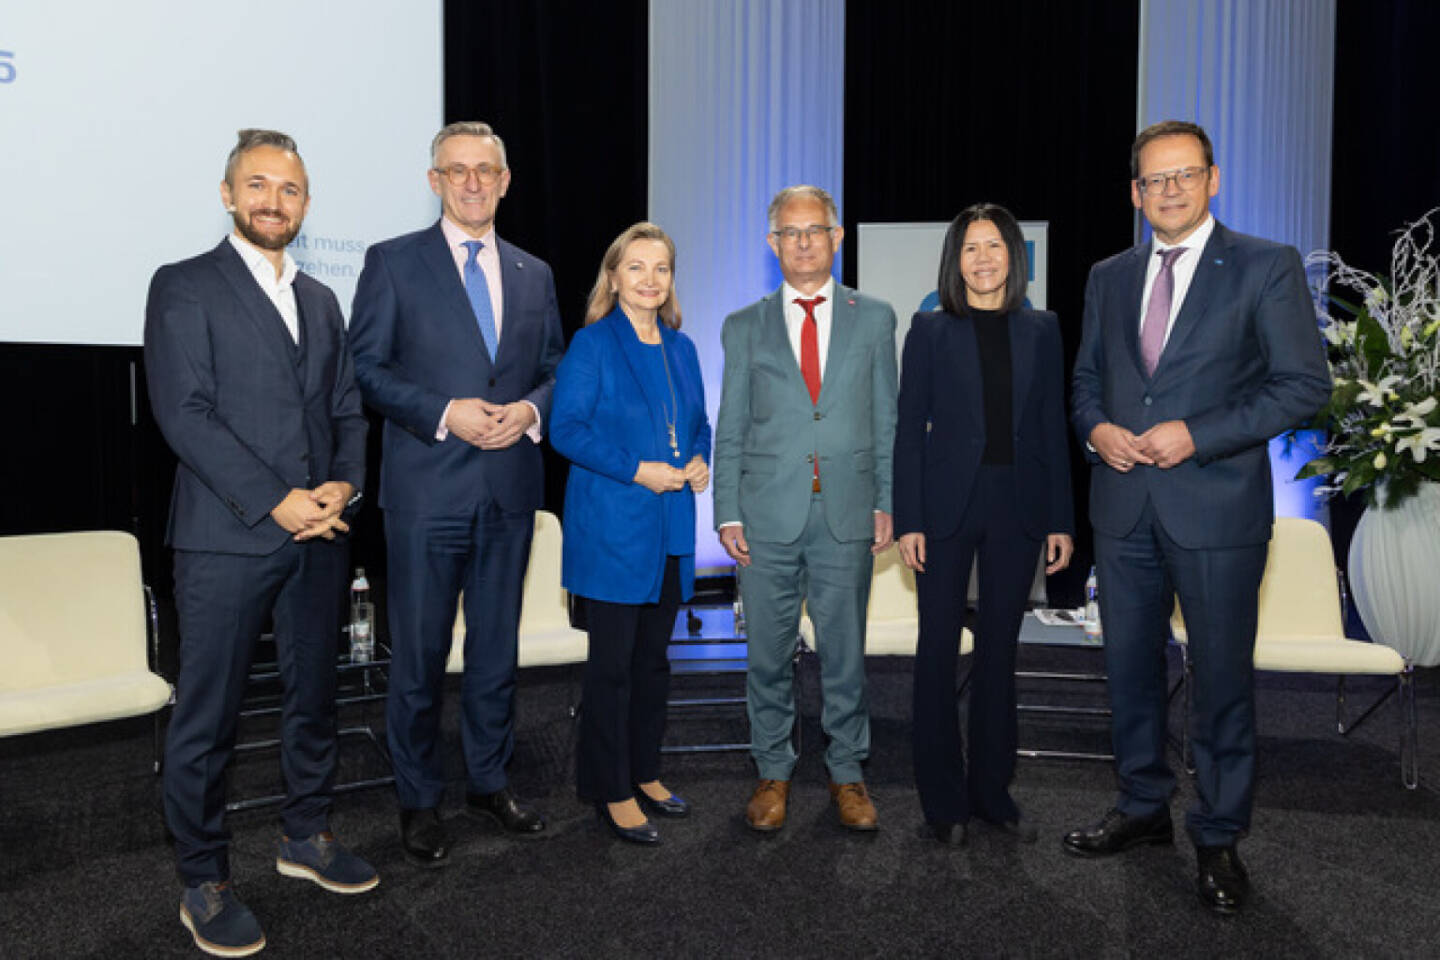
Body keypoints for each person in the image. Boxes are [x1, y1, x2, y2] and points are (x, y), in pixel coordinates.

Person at [1065, 120, 1331, 913]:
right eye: (1154, 179)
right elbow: (1084, 383)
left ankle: (1217, 836)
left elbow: (1303, 387)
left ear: (1213, 179)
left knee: (1218, 683)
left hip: (1217, 510)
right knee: (1129, 676)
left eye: (1184, 175)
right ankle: (1143, 808)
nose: (1169, 190)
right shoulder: (1108, 275)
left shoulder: (1264, 265)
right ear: (1136, 193)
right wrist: (1096, 429)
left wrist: (1198, 435)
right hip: (1121, 510)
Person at [145, 129, 376, 958]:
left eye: (289, 189)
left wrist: (342, 488)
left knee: (314, 698)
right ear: (227, 193)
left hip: (321, 534)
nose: (273, 200)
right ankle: (202, 880)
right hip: (224, 540)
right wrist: (278, 501)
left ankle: (304, 836)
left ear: (306, 204)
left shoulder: (321, 299)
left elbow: (347, 409)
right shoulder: (183, 286)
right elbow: (185, 415)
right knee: (207, 718)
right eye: (258, 185)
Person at [348, 121, 566, 865]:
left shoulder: (534, 273)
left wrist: (532, 411)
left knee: (496, 655)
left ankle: (488, 782)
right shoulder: (392, 263)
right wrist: (447, 413)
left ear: (506, 181)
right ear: (434, 181)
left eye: (486, 170)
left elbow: (554, 366)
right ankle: (417, 800)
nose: (473, 182)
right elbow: (366, 369)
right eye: (457, 170)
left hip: (510, 492)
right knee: (417, 660)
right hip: (425, 496)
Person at [713, 185, 898, 832]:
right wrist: (726, 512)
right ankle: (773, 771)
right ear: (772, 244)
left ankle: (848, 773)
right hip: (764, 516)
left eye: (813, 230)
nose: (802, 243)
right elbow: (730, 425)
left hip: (846, 513)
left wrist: (886, 500)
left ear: (836, 236)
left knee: (843, 654)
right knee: (766, 655)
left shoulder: (874, 318)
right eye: (788, 233)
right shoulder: (743, 325)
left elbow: (887, 418)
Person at [893, 203, 1074, 847]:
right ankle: (942, 801)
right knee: (937, 653)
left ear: (1013, 256)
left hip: (1018, 507)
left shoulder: (1043, 329)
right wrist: (908, 518)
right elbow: (909, 430)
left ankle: (992, 792)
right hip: (943, 509)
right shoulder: (929, 329)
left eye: (994, 246)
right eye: (970, 249)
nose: (983, 259)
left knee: (1000, 654)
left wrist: (1060, 517)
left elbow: (1052, 425)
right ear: (955, 261)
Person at [550, 222, 711, 844]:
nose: (650, 279)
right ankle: (610, 787)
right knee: (611, 669)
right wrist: (637, 469)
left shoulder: (684, 348)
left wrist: (699, 458)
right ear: (613, 277)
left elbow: (700, 424)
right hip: (614, 531)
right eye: (637, 267)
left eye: (661, 267)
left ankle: (644, 772)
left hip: (671, 529)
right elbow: (567, 430)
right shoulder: (592, 345)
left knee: (653, 665)